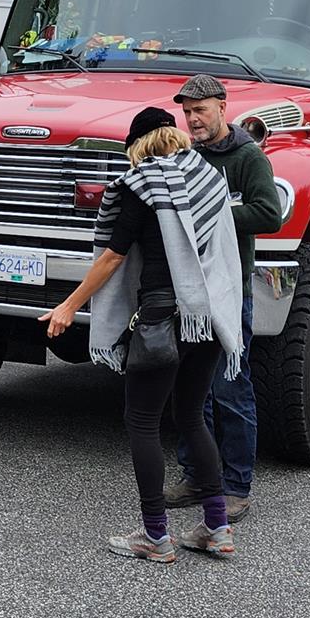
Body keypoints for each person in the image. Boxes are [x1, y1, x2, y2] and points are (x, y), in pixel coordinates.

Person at [41, 106, 245, 563]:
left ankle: (155, 535)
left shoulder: (142, 185)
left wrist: (69, 305)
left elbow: (113, 257)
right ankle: (217, 527)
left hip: (161, 318)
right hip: (207, 320)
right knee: (192, 416)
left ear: (138, 146)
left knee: (143, 421)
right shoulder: (209, 179)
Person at [165, 74, 285, 521]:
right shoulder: (183, 154)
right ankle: (198, 477)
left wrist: (211, 212)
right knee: (192, 390)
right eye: (187, 111)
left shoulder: (249, 157)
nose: (193, 119)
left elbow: (269, 214)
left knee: (231, 387)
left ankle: (237, 487)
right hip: (190, 291)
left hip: (232, 292)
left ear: (222, 108)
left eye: (201, 110)